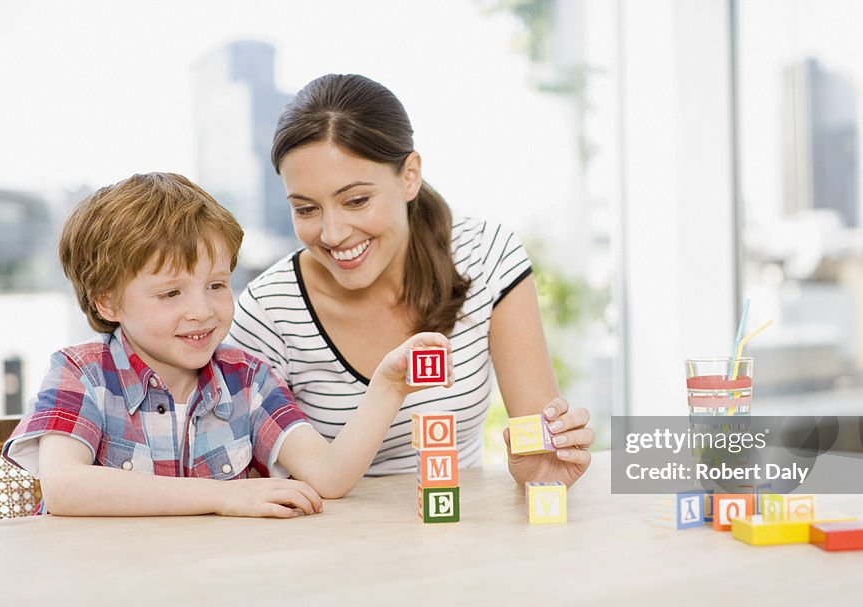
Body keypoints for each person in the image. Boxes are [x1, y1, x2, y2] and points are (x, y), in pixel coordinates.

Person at [0, 172, 453, 517]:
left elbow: (330, 476)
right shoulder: (82, 373)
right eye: (171, 293)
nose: (202, 310)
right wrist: (224, 495)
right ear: (108, 301)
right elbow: (64, 488)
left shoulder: (248, 379)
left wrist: (389, 386)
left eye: (217, 284)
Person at [228, 74, 594, 486]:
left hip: (456, 530)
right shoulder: (268, 310)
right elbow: (255, 477)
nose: (332, 234)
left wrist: (540, 467)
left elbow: (539, 439)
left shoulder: (487, 256)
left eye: (356, 200)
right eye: (307, 209)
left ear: (410, 175)